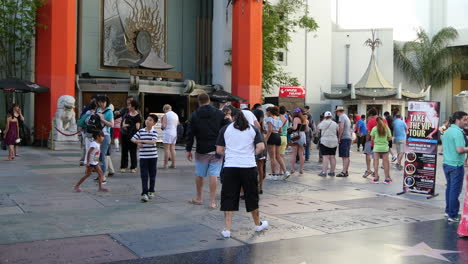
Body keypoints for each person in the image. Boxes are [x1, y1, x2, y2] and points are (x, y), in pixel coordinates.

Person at [216, 109, 268, 238]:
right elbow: (261, 147)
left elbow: (219, 149)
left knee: (229, 196)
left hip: (230, 167)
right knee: (251, 196)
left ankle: (227, 229)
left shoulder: (225, 129)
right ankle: (257, 224)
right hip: (248, 166)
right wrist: (250, 154)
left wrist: (230, 154)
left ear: (232, 117)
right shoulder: (252, 129)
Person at [186, 93, 229, 209]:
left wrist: (188, 149)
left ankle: (199, 198)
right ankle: (212, 202)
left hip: (202, 149)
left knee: (200, 174)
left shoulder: (195, 115)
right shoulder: (220, 114)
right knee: (214, 175)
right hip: (217, 149)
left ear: (199, 102)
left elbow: (190, 133)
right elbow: (227, 128)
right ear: (209, 101)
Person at [442, 111, 468, 222]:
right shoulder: (457, 132)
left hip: (447, 163)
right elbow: (460, 150)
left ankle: (448, 211)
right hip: (456, 165)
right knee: (455, 191)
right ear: (458, 120)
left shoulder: (448, 131)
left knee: (450, 189)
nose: (466, 122)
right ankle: (453, 215)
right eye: (465, 119)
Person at [131, 114, 159, 202]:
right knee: (144, 175)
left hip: (153, 157)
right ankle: (144, 193)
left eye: (150, 120)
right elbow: (132, 138)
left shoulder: (154, 132)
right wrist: (137, 142)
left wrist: (141, 140)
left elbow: (153, 142)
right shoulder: (140, 131)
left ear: (154, 123)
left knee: (152, 175)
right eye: (147, 119)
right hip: (143, 157)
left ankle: (151, 190)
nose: (147, 121)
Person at [362, 108, 387, 178]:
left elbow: (369, 133)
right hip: (382, 142)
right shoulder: (384, 120)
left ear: (370, 115)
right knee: (376, 158)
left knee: (368, 154)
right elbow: (387, 130)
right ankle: (376, 172)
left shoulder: (371, 121)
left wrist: (366, 141)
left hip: (371, 140)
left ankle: (369, 169)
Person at [265, 106, 288, 180]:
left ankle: (274, 174)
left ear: (269, 112)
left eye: (266, 112)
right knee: (278, 156)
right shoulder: (278, 119)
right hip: (278, 136)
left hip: (272, 136)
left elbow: (270, 130)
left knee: (272, 157)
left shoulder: (269, 119)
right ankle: (285, 172)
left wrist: (265, 140)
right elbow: (280, 130)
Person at [369, 117, 393, 184]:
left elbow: (372, 138)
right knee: (386, 163)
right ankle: (387, 179)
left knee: (376, 162)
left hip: (376, 148)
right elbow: (390, 138)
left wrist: (377, 141)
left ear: (376, 122)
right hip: (385, 147)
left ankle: (376, 178)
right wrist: (385, 141)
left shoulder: (374, 128)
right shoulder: (387, 128)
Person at [120, 100, 141, 173]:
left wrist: (129, 126)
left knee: (133, 152)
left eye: (130, 105)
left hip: (133, 136)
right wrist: (125, 126)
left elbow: (137, 127)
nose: (128, 107)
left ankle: (133, 167)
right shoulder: (127, 114)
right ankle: (123, 166)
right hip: (125, 135)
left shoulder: (138, 116)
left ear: (134, 107)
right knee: (124, 151)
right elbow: (123, 123)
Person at [96, 96, 114, 179]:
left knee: (102, 155)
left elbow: (111, 125)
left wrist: (102, 119)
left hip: (105, 135)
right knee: (97, 156)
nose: (101, 104)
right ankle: (99, 173)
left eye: (103, 102)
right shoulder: (98, 110)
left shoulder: (109, 111)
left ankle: (103, 175)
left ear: (106, 102)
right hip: (97, 135)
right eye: (99, 102)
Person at [317, 111, 338, 176]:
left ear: (324, 116)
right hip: (334, 141)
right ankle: (332, 172)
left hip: (325, 141)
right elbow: (338, 130)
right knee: (332, 157)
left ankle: (324, 172)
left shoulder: (323, 123)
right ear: (331, 116)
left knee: (325, 157)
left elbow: (318, 129)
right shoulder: (335, 123)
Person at [161, 104, 179, 169]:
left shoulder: (166, 115)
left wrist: (161, 125)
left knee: (166, 149)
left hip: (168, 133)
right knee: (173, 149)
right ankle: (173, 164)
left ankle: (165, 165)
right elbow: (177, 124)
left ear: (165, 109)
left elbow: (164, 126)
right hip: (174, 132)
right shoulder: (176, 115)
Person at [289, 108, 307, 174]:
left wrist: (290, 127)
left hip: (296, 135)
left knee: (294, 153)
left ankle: (292, 169)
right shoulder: (304, 119)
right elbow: (306, 129)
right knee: (301, 154)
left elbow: (295, 128)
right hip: (302, 135)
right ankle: (301, 169)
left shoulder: (296, 119)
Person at [335, 106, 351, 177]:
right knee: (346, 155)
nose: (336, 113)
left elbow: (341, 127)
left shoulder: (341, 117)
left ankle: (344, 171)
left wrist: (339, 137)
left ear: (339, 112)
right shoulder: (346, 117)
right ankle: (346, 170)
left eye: (336, 112)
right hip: (348, 137)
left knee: (344, 156)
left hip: (344, 138)